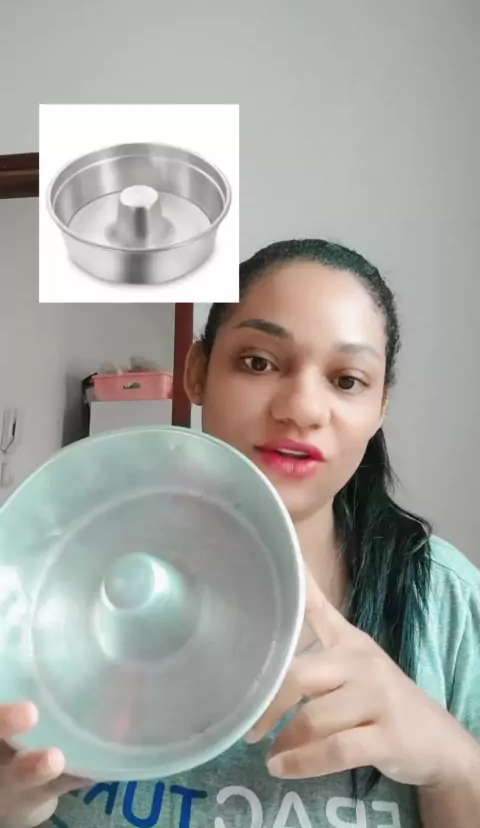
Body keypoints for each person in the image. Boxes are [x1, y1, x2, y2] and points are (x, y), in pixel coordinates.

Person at [1, 239, 479, 828]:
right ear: (197, 373)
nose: (302, 408)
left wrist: (455, 766)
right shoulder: (38, 580)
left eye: (347, 379)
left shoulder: (447, 605)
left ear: (381, 406)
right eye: (258, 363)